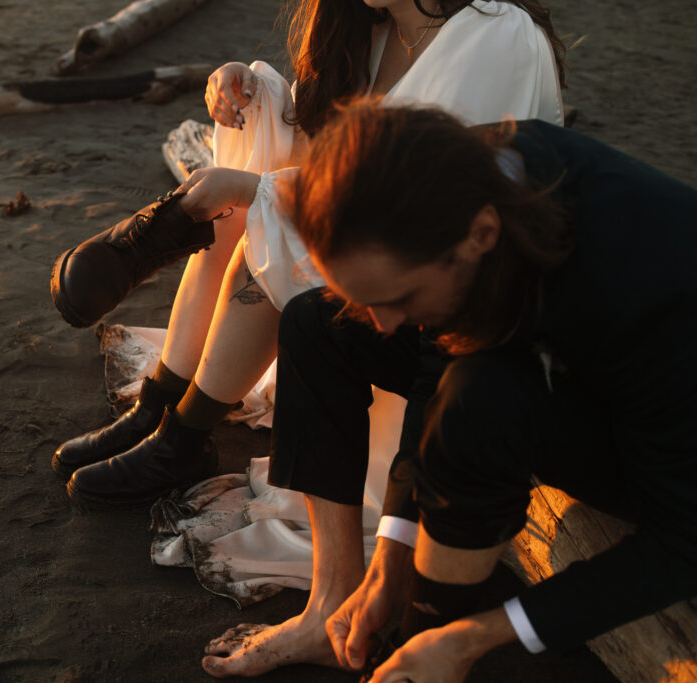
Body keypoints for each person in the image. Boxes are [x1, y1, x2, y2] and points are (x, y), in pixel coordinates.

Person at [248, 100, 697, 682]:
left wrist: (474, 638)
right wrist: (393, 549)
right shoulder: (462, 177)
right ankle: (336, 598)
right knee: (319, 323)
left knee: (479, 401)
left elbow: (683, 542)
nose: (386, 323)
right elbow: (439, 348)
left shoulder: (648, 291)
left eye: (401, 299)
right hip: (577, 356)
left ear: (482, 234)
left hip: (666, 429)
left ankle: (424, 643)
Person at [57, 0, 566, 512]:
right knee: (241, 212)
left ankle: (182, 440)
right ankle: (160, 405)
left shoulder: (499, 36)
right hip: (379, 258)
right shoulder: (375, 28)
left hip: (449, 294)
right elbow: (318, 149)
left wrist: (259, 190)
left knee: (274, 221)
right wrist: (255, 99)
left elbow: (425, 203)